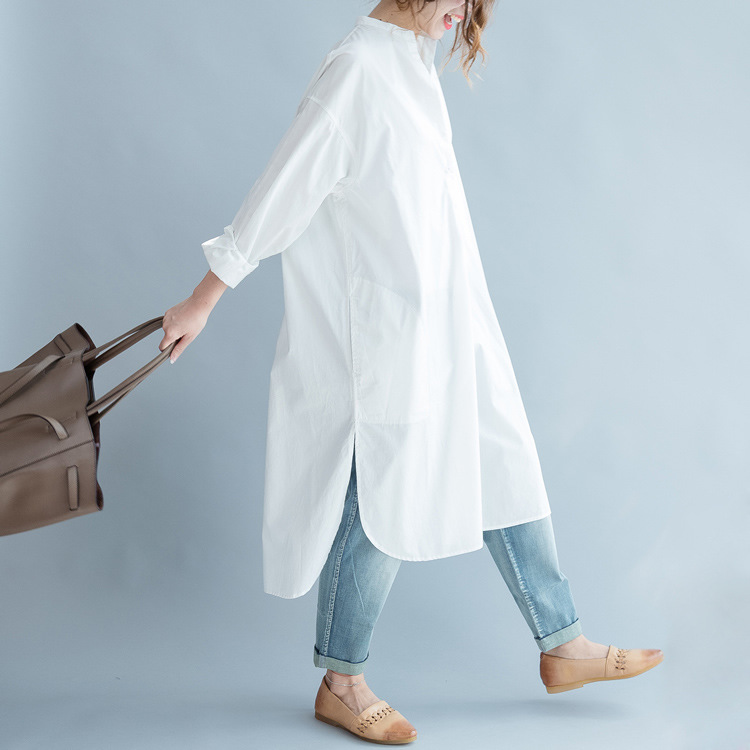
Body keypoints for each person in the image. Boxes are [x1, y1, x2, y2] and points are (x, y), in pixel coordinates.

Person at [160, 0, 664, 743]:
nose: (466, 11)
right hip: (389, 337)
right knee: (385, 497)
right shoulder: (357, 71)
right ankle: (341, 680)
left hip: (454, 324)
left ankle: (562, 643)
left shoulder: (411, 65)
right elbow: (280, 193)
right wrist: (204, 297)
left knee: (501, 456)